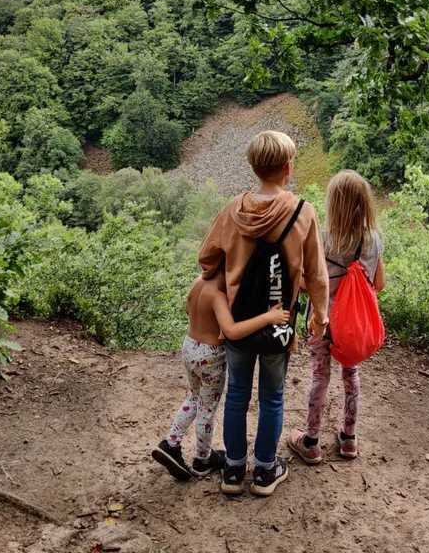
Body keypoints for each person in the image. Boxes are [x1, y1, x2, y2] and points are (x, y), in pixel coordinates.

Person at [198, 130, 329, 497]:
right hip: (279, 323)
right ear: (288, 168)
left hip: (238, 323)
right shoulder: (303, 213)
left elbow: (207, 258)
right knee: (272, 396)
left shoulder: (232, 210)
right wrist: (320, 314)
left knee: (237, 393)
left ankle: (234, 471)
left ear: (254, 167)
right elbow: (317, 274)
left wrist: (225, 276)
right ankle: (266, 471)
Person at [152, 273, 291, 481]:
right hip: (209, 357)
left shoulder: (198, 282)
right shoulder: (218, 295)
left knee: (194, 398)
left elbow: (188, 308)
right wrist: (269, 317)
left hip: (190, 346)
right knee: (207, 409)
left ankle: (171, 442)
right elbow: (231, 331)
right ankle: (203, 459)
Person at [287, 169, 384, 464]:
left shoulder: (324, 239)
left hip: (322, 321)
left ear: (333, 204)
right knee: (351, 375)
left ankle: (312, 441)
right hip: (352, 326)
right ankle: (349, 439)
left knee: (319, 376)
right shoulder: (374, 240)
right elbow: (378, 284)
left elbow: (308, 283)